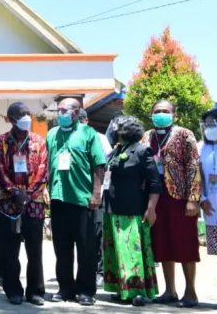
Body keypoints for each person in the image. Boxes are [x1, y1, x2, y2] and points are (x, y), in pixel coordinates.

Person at [141, 99, 201, 308]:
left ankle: (191, 292)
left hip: (180, 197)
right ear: (151, 114)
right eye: (157, 111)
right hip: (156, 197)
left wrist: (193, 199)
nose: (161, 114)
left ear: (174, 115)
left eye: (166, 111)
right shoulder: (146, 136)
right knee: (162, 242)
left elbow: (193, 166)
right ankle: (170, 290)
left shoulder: (185, 134)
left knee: (185, 243)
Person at [46, 98, 105, 306]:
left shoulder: (89, 134)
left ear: (76, 112)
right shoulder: (52, 134)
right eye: (58, 110)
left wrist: (96, 193)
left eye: (65, 110)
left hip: (83, 200)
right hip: (58, 198)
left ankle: (86, 290)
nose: (60, 113)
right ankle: (65, 289)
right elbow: (47, 164)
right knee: (62, 249)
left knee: (86, 248)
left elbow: (99, 164)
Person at [101, 116, 160, 307]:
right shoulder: (117, 150)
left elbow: (154, 183)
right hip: (112, 209)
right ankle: (121, 289)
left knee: (131, 250)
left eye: (117, 127)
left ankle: (138, 290)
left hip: (132, 209)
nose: (113, 129)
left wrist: (151, 209)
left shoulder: (142, 150)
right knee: (115, 251)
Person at [0, 102, 48, 306]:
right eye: (20, 114)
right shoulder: (1, 142)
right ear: (10, 119)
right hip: (9, 203)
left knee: (35, 250)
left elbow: (43, 171)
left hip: (34, 203)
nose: (26, 117)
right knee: (10, 250)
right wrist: (15, 192)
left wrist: (29, 194)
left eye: (27, 113)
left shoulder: (38, 141)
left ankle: (35, 291)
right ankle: (12, 290)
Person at [78, 109, 112, 286]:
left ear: (87, 120)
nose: (81, 122)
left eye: (83, 119)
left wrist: (97, 191)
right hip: (76, 194)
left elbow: (104, 164)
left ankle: (99, 269)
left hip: (96, 192)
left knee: (96, 232)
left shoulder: (99, 138)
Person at [199, 109, 217, 310]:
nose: (210, 127)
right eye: (207, 124)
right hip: (213, 209)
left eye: (214, 123)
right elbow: (197, 178)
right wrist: (202, 200)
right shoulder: (202, 148)